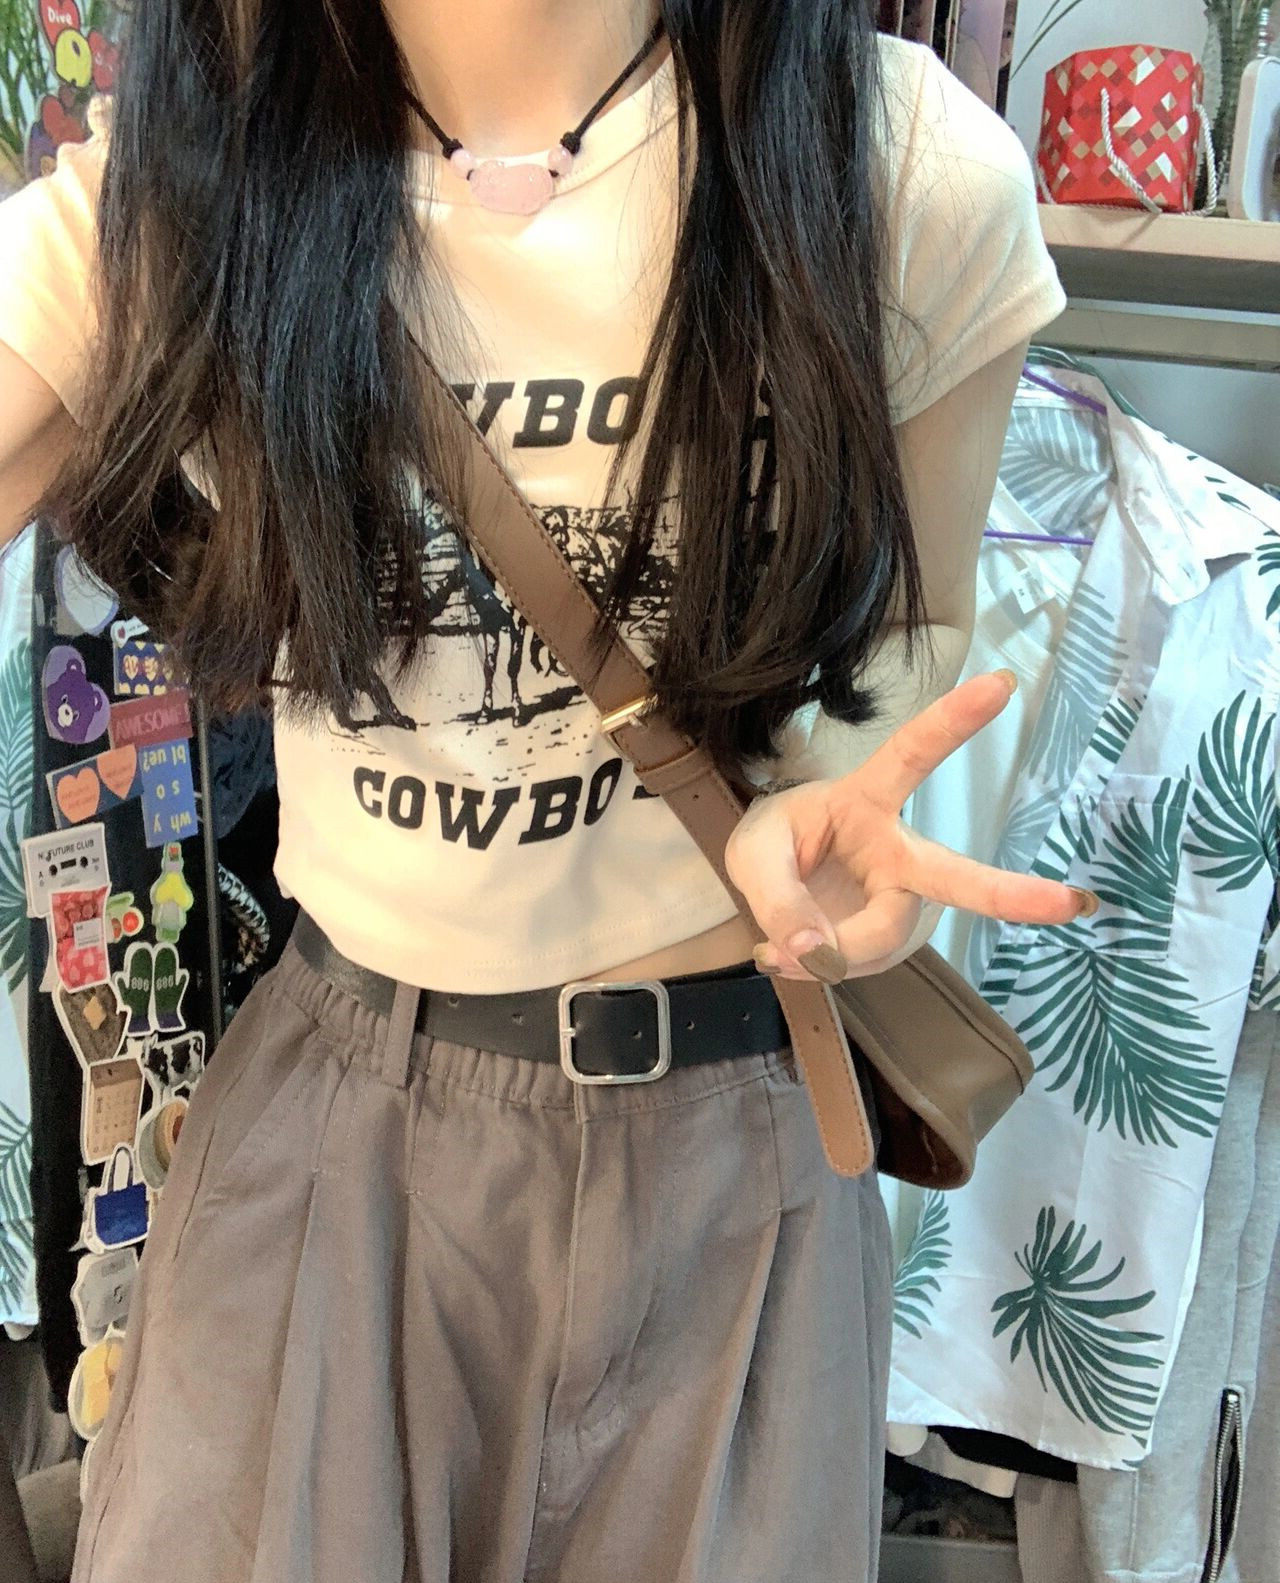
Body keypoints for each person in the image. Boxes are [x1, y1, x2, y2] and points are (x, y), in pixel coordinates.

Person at [0, 2, 1087, 1577]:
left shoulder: (902, 165)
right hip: (336, 1138)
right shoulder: (193, 175)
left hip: (730, 1164)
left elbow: (909, 637)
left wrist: (836, 814)